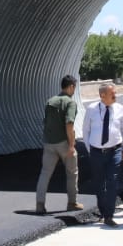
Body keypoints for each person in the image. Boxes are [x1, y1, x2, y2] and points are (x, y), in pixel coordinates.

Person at [82, 84, 123, 227]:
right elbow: (85, 131)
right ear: (102, 95)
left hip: (114, 151)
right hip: (96, 151)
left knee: (112, 182)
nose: (115, 95)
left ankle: (109, 215)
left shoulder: (120, 109)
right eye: (112, 93)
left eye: (115, 93)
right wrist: (90, 150)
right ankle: (103, 211)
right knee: (99, 184)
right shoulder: (91, 109)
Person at [34, 75, 81, 215]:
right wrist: (71, 145)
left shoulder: (50, 101)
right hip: (64, 143)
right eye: (74, 87)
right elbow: (69, 124)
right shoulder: (70, 103)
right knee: (72, 173)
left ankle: (39, 204)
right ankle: (72, 203)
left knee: (45, 173)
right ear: (71, 86)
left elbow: (46, 122)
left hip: (49, 143)